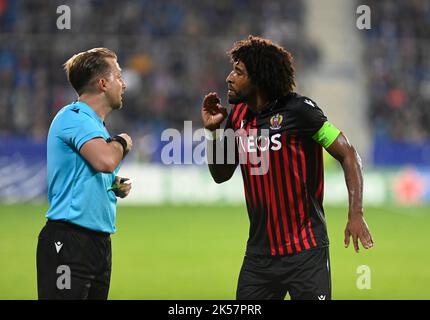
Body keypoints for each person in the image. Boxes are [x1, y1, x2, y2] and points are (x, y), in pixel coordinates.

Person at [201, 36, 374, 300]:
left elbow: (348, 154)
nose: (228, 78)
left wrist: (356, 214)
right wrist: (213, 133)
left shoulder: (301, 110)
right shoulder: (237, 117)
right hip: (259, 256)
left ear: (258, 78)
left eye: (238, 72)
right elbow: (221, 175)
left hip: (305, 251)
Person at [37, 48, 133, 300]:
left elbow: (90, 172)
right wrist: (123, 142)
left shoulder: (93, 124)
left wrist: (113, 184)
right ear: (103, 83)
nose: (124, 84)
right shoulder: (74, 116)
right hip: (69, 242)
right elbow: (105, 160)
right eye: (119, 77)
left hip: (97, 243)